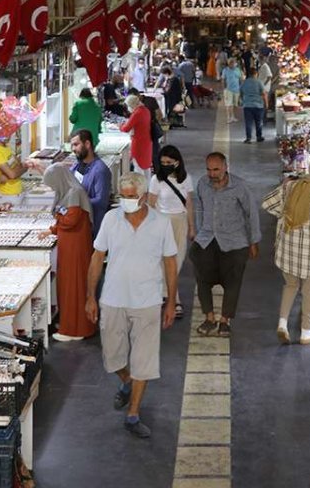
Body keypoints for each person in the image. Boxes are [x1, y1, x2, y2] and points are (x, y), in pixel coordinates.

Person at [85, 172, 178, 439]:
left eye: (131, 197)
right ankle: (126, 381)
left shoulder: (160, 223)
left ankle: (133, 413)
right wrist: (90, 296)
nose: (126, 201)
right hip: (113, 298)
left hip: (147, 301)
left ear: (142, 197)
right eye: (123, 197)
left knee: (144, 360)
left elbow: (170, 262)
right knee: (112, 356)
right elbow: (97, 257)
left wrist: (170, 301)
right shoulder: (111, 220)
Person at [262, 157, 310, 345]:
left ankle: (282, 323)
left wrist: (285, 215)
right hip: (309, 255)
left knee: (290, 286)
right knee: (309, 291)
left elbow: (267, 204)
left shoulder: (291, 187)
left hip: (286, 250)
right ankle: (305, 331)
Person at [191, 152, 261, 337]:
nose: (212, 174)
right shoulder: (202, 184)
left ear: (225, 167)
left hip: (235, 241)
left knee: (233, 282)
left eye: (216, 169)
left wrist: (253, 241)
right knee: (202, 278)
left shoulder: (240, 187)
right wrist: (197, 232)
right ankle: (209, 318)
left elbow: (251, 214)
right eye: (208, 169)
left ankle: (225, 321)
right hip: (207, 239)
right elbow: (198, 208)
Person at [41, 165, 95, 341]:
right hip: (71, 245)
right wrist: (51, 230)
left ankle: (74, 329)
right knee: (68, 285)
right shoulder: (69, 192)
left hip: (75, 248)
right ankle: (68, 322)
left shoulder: (73, 194)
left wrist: (57, 220)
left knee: (73, 286)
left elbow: (70, 220)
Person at [148, 146, 194, 320]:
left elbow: (189, 204)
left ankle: (165, 295)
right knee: (165, 262)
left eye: (169, 162)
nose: (165, 165)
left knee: (177, 260)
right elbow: (151, 204)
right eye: (162, 163)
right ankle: (174, 300)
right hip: (161, 222)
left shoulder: (186, 179)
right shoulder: (155, 180)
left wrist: (192, 226)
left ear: (177, 162)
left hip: (180, 222)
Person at [71, 130, 112, 238]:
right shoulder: (78, 165)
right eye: (72, 145)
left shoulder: (100, 170)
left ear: (87, 144)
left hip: (93, 228)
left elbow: (101, 201)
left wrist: (76, 202)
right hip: (80, 224)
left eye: (76, 144)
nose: (73, 149)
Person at [0, 133, 27, 198]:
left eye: (9, 132)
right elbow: (12, 175)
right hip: (6, 194)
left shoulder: (6, 146)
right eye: (5, 132)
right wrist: (24, 167)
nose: (9, 135)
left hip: (17, 191)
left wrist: (8, 173)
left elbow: (19, 164)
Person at [119, 94, 153, 172]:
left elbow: (126, 128)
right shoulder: (146, 110)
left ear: (131, 105)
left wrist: (120, 126)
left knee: (138, 168)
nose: (128, 108)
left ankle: (139, 184)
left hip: (138, 144)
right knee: (146, 168)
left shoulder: (137, 113)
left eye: (128, 106)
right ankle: (147, 184)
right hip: (147, 142)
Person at [240, 66, 268, 143]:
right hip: (258, 105)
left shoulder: (244, 82)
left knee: (248, 122)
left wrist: (243, 101)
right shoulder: (259, 82)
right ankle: (259, 137)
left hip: (247, 105)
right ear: (256, 74)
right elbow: (264, 94)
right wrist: (266, 104)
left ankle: (248, 138)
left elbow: (241, 93)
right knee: (258, 122)